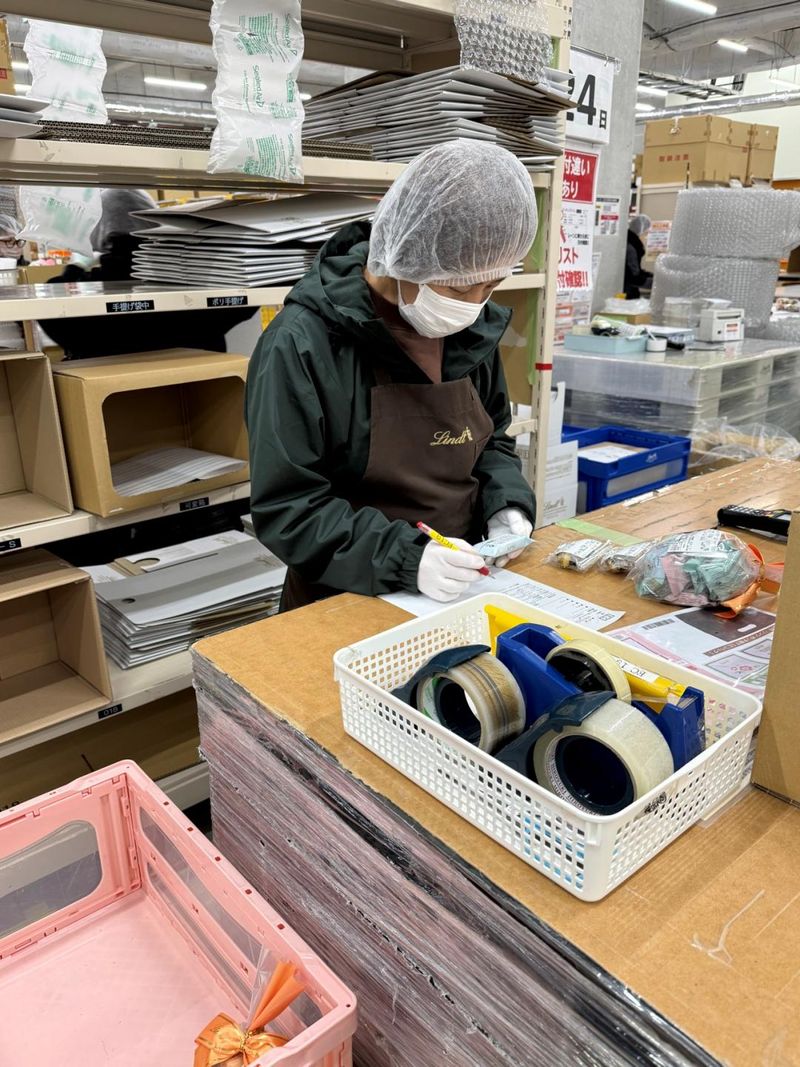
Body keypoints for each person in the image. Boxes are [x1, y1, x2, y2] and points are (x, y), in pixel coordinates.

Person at [246, 139, 539, 612]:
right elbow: (289, 508)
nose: (475, 303)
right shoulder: (302, 343)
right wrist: (407, 558)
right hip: (345, 596)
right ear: (406, 255)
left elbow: (492, 442)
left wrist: (506, 503)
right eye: (459, 287)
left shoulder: (470, 331)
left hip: (464, 582)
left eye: (492, 284)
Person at [39, 188, 254, 358]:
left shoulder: (89, 298)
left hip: (116, 399)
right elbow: (247, 301)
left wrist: (74, 268)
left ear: (97, 232)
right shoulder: (193, 283)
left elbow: (50, 307)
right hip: (206, 393)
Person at [624, 214, 653, 299]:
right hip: (627, 293)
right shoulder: (632, 247)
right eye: (646, 232)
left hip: (629, 290)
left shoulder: (629, 241)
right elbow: (633, 276)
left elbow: (636, 271)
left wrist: (651, 276)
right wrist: (655, 283)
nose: (646, 236)